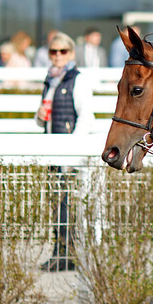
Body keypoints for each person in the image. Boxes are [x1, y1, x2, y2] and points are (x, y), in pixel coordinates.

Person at [35, 32, 94, 271]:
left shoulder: (77, 79)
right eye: (53, 51)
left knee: (66, 202)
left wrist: (73, 149)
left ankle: (66, 254)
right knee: (58, 201)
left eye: (63, 51)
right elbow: (45, 119)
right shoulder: (50, 79)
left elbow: (86, 116)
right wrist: (39, 117)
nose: (58, 56)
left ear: (71, 53)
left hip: (67, 151)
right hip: (52, 147)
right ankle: (60, 252)